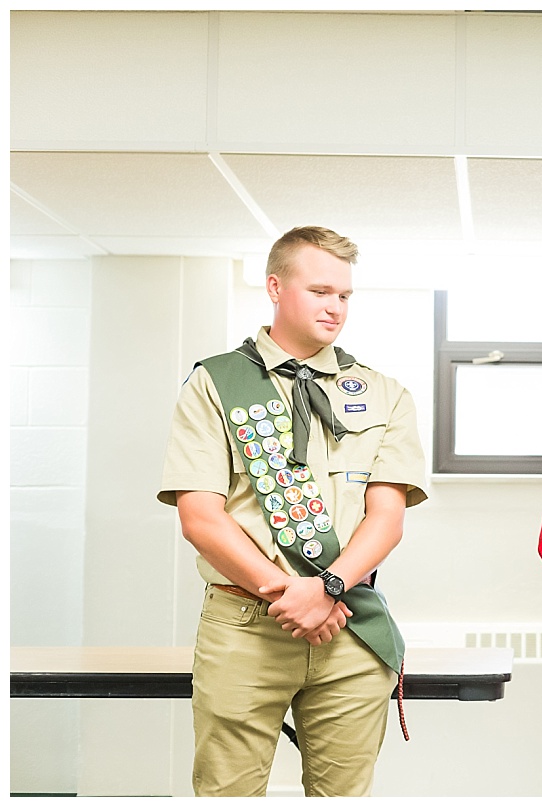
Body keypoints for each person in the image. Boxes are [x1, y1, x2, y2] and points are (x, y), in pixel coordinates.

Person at [158, 225, 428, 796]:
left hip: (349, 628)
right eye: (320, 291)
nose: (335, 308)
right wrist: (294, 596)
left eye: (345, 296)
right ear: (276, 287)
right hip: (246, 628)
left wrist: (327, 587)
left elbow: (387, 517)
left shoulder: (383, 393)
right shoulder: (216, 384)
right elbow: (200, 517)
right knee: (228, 794)